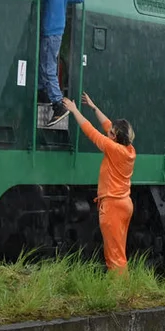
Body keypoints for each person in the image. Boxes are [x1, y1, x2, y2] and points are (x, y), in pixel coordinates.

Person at [62, 93, 136, 272]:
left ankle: (119, 293)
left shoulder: (112, 148)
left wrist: (75, 111)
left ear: (114, 137)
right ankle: (122, 289)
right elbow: (107, 125)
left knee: (114, 255)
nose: (108, 131)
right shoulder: (128, 149)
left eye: (111, 132)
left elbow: (91, 132)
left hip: (112, 207)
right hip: (124, 204)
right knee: (119, 251)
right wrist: (94, 107)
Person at [33, 0, 84, 125]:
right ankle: (43, 93)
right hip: (59, 32)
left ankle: (58, 104)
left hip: (49, 32)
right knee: (46, 63)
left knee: (48, 68)